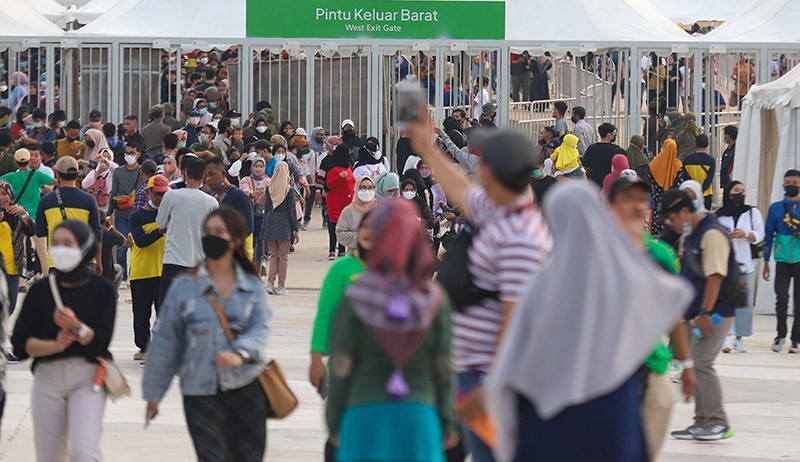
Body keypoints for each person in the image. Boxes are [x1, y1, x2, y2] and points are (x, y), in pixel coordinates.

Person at [485, 181, 690, 462]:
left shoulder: (543, 281)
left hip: (550, 410)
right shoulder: (621, 273)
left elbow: (518, 349)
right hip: (613, 402)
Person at [408, 117, 551, 462]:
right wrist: (427, 147)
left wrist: (491, 387)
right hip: (464, 369)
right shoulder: (502, 207)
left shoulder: (522, 239)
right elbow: (461, 189)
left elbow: (515, 320)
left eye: (482, 161)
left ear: (492, 172)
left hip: (485, 377)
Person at [326, 199, 457, 462]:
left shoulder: (356, 296)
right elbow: (444, 366)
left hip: (363, 414)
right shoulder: (434, 300)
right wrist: (448, 422)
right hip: (419, 417)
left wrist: (334, 418)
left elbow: (340, 364)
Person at [143, 207, 271, 462]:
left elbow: (260, 327)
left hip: (245, 385)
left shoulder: (251, 285)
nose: (211, 237)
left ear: (235, 240)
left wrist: (241, 352)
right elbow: (166, 340)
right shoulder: (184, 286)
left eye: (219, 232)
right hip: (199, 389)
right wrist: (154, 392)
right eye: (207, 232)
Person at [11, 219, 116, 462]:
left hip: (88, 377)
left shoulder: (102, 289)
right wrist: (55, 345)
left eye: (67, 243)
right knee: (50, 456)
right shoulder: (41, 290)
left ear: (84, 246)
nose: (60, 249)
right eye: (55, 243)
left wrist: (76, 327)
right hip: (48, 378)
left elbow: (100, 342)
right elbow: (20, 344)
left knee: (84, 451)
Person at [662, 189, 737, 441]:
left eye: (671, 218)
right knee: (692, 362)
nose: (670, 225)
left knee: (702, 362)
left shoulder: (712, 233)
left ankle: (718, 421)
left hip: (716, 313)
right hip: (698, 313)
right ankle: (702, 420)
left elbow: (716, 276)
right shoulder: (691, 236)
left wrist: (705, 312)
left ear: (684, 212)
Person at [156, 157, 218, 303]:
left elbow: (160, 223)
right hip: (199, 265)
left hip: (173, 262)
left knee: (169, 311)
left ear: (184, 173)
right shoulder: (211, 202)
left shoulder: (171, 196)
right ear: (204, 176)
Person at [715, 181, 764, 354]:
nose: (740, 194)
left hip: (746, 263)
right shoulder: (720, 215)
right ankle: (726, 336)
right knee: (726, 301)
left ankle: (740, 338)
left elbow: (760, 233)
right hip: (726, 264)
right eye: (736, 191)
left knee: (745, 302)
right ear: (729, 193)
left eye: (742, 191)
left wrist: (746, 235)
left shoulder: (752, 212)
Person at [35, 157, 103, 274]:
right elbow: (97, 233)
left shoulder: (46, 201)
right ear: (77, 174)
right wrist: (99, 261)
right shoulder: (89, 200)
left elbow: (39, 231)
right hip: (85, 260)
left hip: (57, 261)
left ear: (57, 174)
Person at [128, 175, 169, 361]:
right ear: (149, 192)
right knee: (141, 313)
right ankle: (144, 347)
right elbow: (140, 241)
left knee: (164, 312)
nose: (159, 198)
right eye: (157, 194)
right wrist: (160, 231)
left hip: (163, 270)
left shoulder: (170, 215)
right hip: (142, 271)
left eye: (163, 194)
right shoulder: (136, 216)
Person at [763, 169, 800, 354]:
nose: (791, 185)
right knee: (782, 298)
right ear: (783, 184)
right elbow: (768, 235)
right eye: (788, 182)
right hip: (782, 259)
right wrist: (766, 261)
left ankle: (796, 339)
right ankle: (780, 335)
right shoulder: (776, 208)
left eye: (795, 182)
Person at [204, 157, 255, 260]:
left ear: (223, 174)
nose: (207, 179)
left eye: (212, 174)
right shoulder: (213, 197)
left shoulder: (239, 196)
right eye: (205, 175)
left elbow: (248, 227)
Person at [261, 162, 299, 295]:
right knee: (283, 257)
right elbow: (292, 212)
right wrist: (296, 229)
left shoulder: (269, 187)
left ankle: (270, 284)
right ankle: (281, 286)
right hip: (284, 226)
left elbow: (266, 209)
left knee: (273, 255)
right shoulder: (288, 190)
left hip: (271, 223)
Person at [110, 141, 143, 283]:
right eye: (127, 153)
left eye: (132, 153)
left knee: (136, 247)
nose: (129, 156)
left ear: (139, 154)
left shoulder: (142, 171)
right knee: (122, 247)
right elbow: (113, 192)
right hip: (121, 214)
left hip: (137, 215)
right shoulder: (118, 172)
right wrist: (110, 210)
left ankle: (134, 274)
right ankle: (122, 277)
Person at [0, 180, 34, 317]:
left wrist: (23, 213)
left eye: (4, 194)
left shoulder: (17, 213)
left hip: (13, 268)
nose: (2, 198)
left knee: (11, 305)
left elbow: (31, 231)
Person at [648, 139, 687, 236]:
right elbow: (679, 183)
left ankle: (656, 231)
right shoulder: (678, 165)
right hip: (672, 198)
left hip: (658, 196)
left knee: (658, 215)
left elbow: (650, 180)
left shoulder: (654, 164)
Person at [325, 145, 355, 260]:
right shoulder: (333, 169)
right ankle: (332, 250)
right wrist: (339, 177)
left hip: (347, 202)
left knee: (344, 226)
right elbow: (328, 184)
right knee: (334, 225)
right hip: (335, 202)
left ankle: (342, 250)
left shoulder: (348, 168)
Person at [336, 176, 377, 253]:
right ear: (357, 189)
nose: (367, 191)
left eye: (370, 188)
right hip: (354, 257)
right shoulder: (348, 211)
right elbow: (340, 233)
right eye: (363, 188)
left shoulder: (380, 209)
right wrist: (361, 238)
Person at [239, 157, 269, 264]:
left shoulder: (267, 181)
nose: (258, 169)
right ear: (252, 168)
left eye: (261, 166)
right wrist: (252, 194)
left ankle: (262, 259)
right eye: (256, 166)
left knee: (262, 236)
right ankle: (249, 261)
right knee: (249, 237)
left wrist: (266, 193)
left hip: (262, 214)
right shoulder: (246, 180)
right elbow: (244, 190)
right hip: (249, 213)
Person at [683, 135, 715, 210]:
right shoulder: (711, 160)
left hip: (690, 194)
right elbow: (709, 178)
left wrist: (693, 189)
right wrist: (701, 189)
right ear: (707, 145)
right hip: (706, 193)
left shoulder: (687, 159)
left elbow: (685, 177)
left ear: (695, 144)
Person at [582, 123, 620, 187]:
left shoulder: (591, 148)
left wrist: (591, 174)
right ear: (609, 135)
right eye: (614, 134)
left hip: (594, 184)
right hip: (610, 184)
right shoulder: (616, 149)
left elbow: (584, 166)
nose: (615, 136)